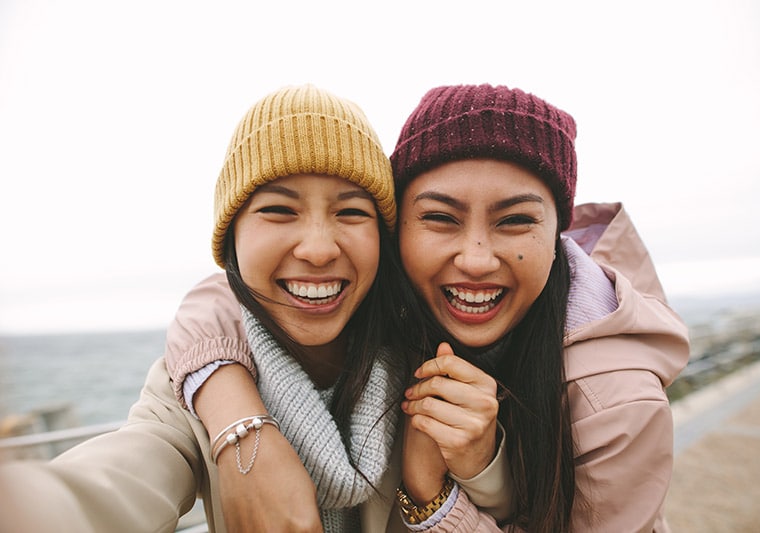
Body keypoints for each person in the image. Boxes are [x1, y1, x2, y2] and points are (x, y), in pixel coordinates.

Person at [164, 83, 690, 532]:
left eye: (514, 221)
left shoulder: (618, 402)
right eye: (440, 218)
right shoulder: (384, 303)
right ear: (395, 234)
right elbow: (230, 293)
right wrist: (235, 415)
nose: (477, 259)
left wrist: (435, 502)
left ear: (559, 234)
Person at [0, 84, 514, 533]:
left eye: (351, 212)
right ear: (233, 243)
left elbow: (517, 510)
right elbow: (117, 481)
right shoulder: (195, 387)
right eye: (278, 210)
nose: (317, 248)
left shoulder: (436, 368)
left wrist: (480, 464)